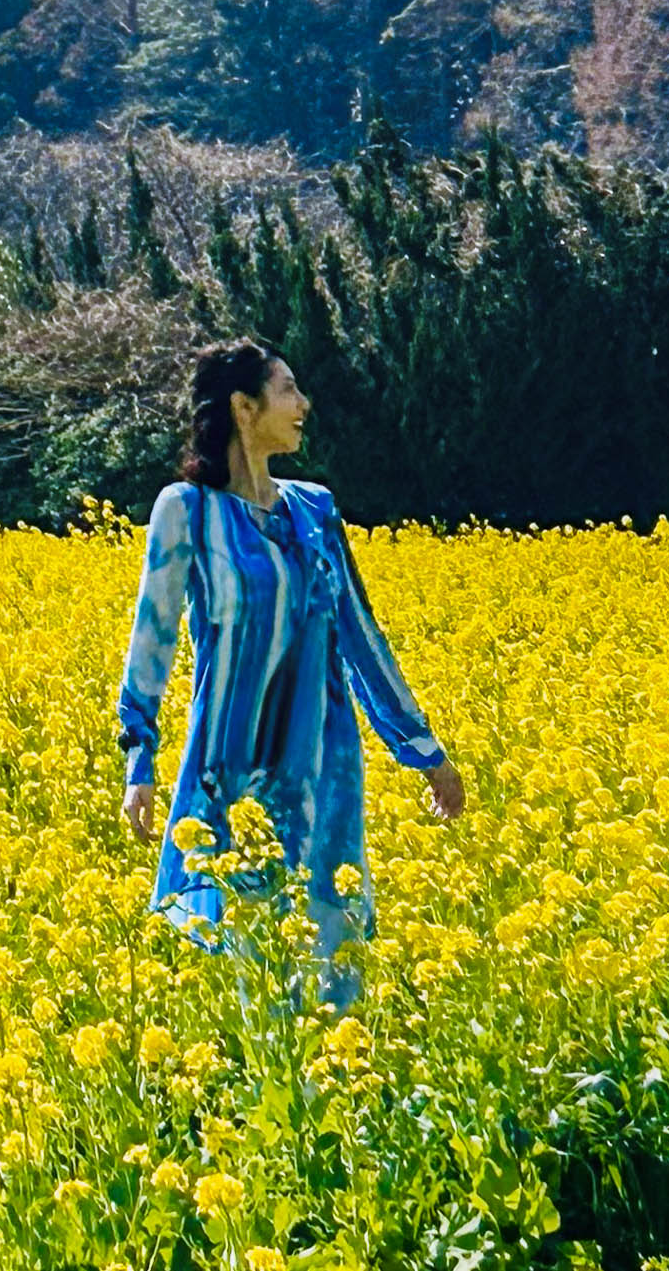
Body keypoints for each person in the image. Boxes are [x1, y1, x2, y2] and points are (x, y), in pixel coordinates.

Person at [116, 339, 464, 1004]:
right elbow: (151, 642)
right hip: (232, 775)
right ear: (244, 408)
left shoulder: (316, 511)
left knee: (333, 974)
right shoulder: (187, 511)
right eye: (286, 390)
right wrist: (140, 760)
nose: (303, 404)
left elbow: (361, 637)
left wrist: (424, 751)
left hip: (323, 775)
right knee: (256, 983)